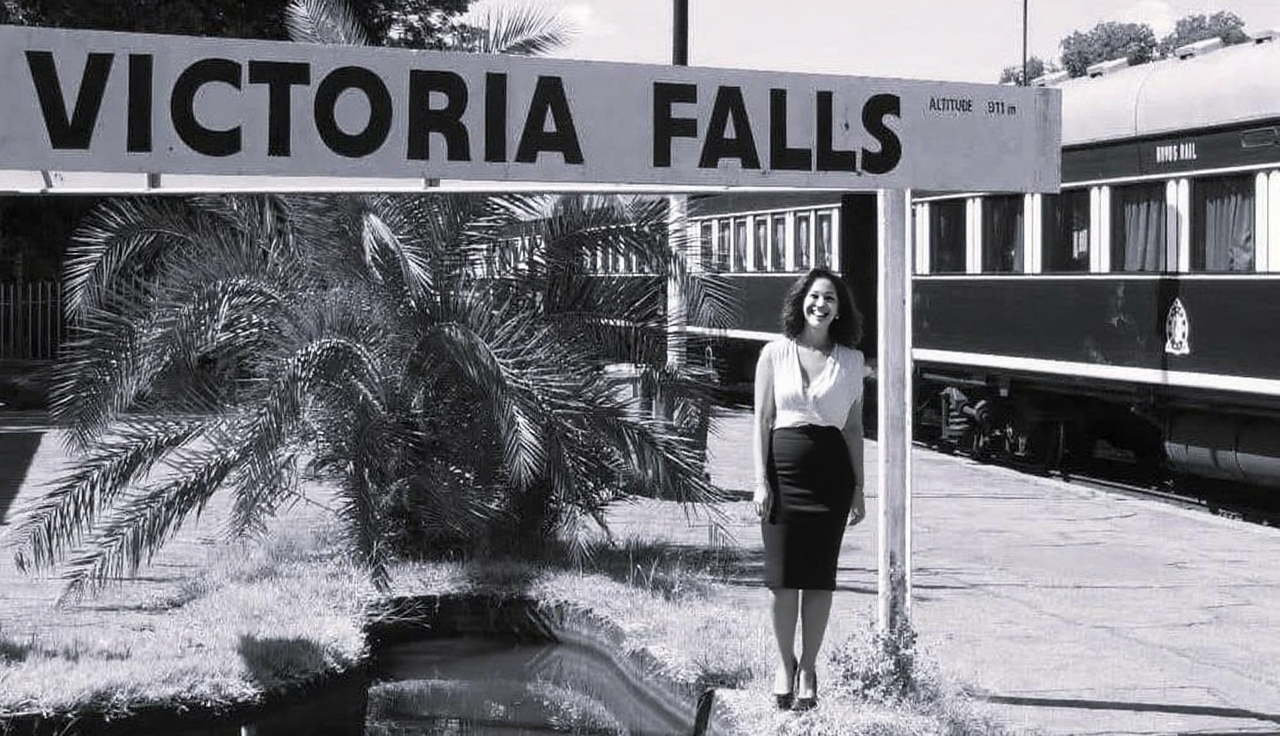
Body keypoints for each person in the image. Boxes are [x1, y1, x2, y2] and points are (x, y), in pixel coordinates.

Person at [752, 267, 866, 711]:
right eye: (815, 296)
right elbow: (762, 420)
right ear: (801, 301)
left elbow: (854, 428)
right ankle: (784, 663)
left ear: (840, 310)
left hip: (831, 478)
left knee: (820, 580)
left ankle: (809, 668)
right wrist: (759, 481)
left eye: (830, 299)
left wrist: (859, 487)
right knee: (782, 582)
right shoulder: (774, 354)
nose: (821, 305)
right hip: (782, 475)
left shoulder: (853, 361)